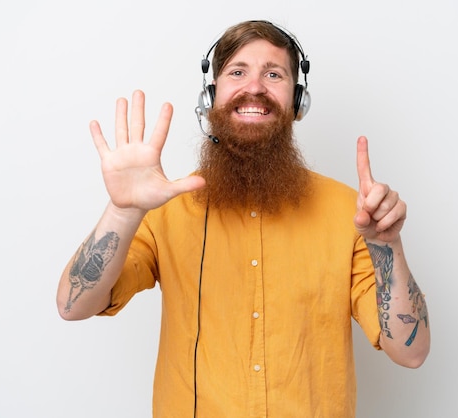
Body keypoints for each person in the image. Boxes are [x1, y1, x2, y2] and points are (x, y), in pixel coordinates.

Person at [57, 20, 430, 418]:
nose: (255, 88)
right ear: (211, 95)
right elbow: (72, 305)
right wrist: (123, 209)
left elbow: (411, 351)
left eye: (273, 74)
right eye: (238, 72)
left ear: (297, 100)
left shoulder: (350, 214)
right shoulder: (166, 209)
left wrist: (388, 246)